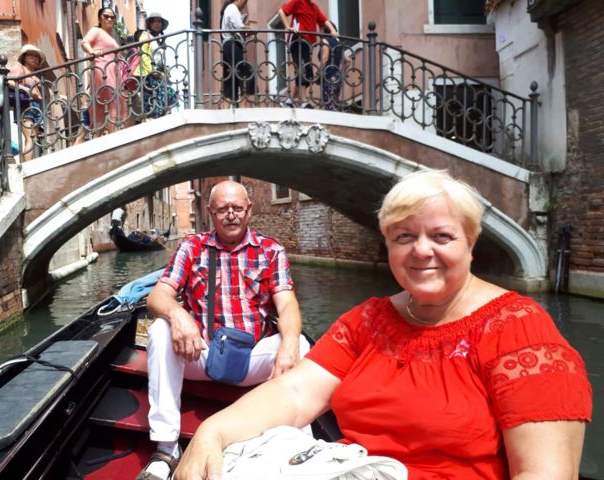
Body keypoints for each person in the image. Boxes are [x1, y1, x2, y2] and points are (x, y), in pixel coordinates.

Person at [174, 170, 592, 480]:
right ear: (388, 244)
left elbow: (546, 473)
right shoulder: (368, 321)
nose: (421, 251)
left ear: (471, 242)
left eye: (441, 237)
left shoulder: (520, 331)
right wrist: (213, 431)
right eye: (404, 237)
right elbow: (295, 393)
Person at [136, 180, 309, 480]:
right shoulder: (192, 247)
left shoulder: (271, 250)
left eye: (237, 208)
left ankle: (300, 446)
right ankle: (166, 448)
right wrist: (178, 314)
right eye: (223, 209)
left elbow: (287, 304)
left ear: (249, 210)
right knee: (160, 330)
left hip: (252, 359)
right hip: (200, 353)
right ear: (210, 212)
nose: (231, 214)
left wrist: (290, 342)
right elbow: (157, 296)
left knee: (302, 345)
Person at [278, 0, 337, 107]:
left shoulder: (314, 7)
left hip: (308, 44)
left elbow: (324, 20)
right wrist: (288, 27)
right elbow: (281, 11)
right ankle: (304, 101)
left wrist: (333, 30)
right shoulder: (298, 1)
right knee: (303, 69)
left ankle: (289, 100)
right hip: (298, 40)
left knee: (307, 72)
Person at [81, 7, 126, 136]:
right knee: (110, 101)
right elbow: (84, 42)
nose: (109, 19)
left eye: (112, 17)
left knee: (110, 103)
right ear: (100, 19)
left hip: (114, 72)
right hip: (103, 68)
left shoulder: (112, 37)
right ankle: (112, 137)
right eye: (106, 16)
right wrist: (92, 52)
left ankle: (101, 135)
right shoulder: (96, 31)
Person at [133, 12, 177, 120]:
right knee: (154, 97)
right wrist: (152, 71)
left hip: (158, 74)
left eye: (159, 22)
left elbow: (160, 59)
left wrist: (165, 71)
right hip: (148, 73)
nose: (157, 24)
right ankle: (152, 117)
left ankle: (161, 116)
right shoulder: (145, 35)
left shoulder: (159, 40)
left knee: (169, 94)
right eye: (155, 21)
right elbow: (143, 54)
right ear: (150, 24)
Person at [8, 45, 47, 161]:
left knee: (34, 138)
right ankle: (27, 164)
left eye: (36, 57)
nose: (35, 58)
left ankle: (31, 161)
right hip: (25, 105)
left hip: (36, 106)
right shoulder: (20, 68)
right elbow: (9, 82)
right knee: (30, 137)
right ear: (24, 57)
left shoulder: (34, 74)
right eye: (31, 56)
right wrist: (27, 90)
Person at [220, 0, 256, 107]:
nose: (244, 5)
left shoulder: (228, 9)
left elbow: (235, 28)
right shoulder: (232, 8)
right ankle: (243, 107)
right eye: (244, 2)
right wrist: (250, 28)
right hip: (233, 45)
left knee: (230, 78)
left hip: (227, 46)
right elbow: (238, 26)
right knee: (247, 74)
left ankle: (225, 109)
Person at [318, 21, 351, 111]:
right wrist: (340, 72)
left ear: (323, 30)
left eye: (320, 29)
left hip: (328, 75)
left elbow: (325, 58)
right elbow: (348, 61)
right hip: (337, 76)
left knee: (329, 104)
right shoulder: (338, 43)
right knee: (334, 102)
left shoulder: (325, 41)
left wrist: (318, 73)